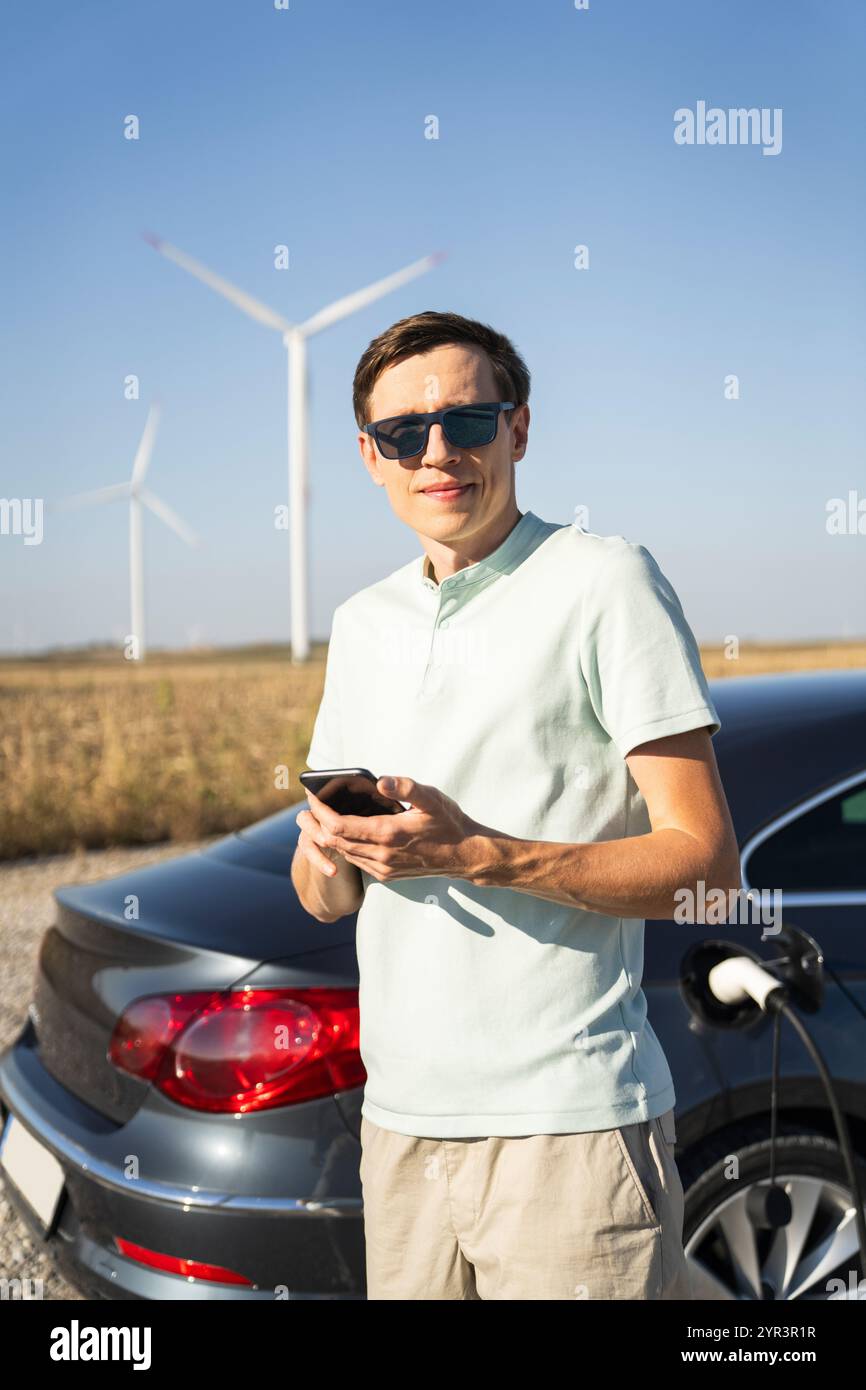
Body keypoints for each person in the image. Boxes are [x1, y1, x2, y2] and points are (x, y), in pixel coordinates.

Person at [291, 310, 740, 1300]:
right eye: (404, 433)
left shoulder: (604, 582)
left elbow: (706, 866)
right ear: (369, 457)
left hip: (566, 1131)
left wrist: (478, 853)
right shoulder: (360, 624)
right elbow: (323, 897)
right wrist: (328, 851)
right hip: (398, 1128)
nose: (437, 452)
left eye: (468, 420)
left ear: (519, 429)